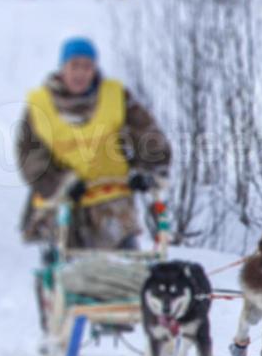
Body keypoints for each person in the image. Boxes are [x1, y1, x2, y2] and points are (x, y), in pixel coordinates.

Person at [17, 37, 171, 250]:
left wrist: (151, 169)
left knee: (124, 260)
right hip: (63, 197)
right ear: (63, 68)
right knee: (67, 262)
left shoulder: (116, 96)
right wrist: (56, 183)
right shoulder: (41, 104)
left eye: (87, 66)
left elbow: (146, 133)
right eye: (74, 66)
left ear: (94, 69)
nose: (80, 73)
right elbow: (29, 154)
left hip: (111, 194)